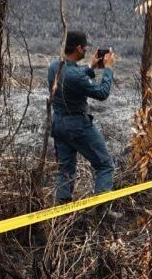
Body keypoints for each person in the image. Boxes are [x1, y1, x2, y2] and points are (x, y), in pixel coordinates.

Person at [47, 31, 116, 203]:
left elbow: (73, 79)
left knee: (65, 171)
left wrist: (91, 67)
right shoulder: (75, 75)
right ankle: (102, 210)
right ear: (78, 48)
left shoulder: (54, 67)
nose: (86, 51)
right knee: (105, 165)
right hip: (77, 125)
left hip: (58, 125)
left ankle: (61, 212)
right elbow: (102, 93)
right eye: (85, 47)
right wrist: (108, 70)